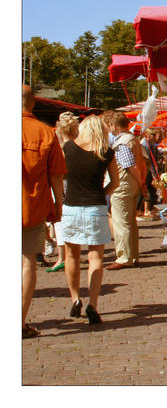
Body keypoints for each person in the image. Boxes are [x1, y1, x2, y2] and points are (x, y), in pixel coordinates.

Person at [61, 114, 120, 325]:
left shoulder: (67, 148)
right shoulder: (106, 152)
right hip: (95, 205)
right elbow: (116, 182)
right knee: (96, 257)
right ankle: (92, 304)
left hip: (71, 206)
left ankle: (75, 298)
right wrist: (102, 193)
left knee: (72, 255)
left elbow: (59, 175)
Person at [22, 85, 67, 338]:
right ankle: (19, 322)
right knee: (28, 262)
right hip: (31, 207)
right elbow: (57, 176)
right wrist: (59, 204)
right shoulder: (44, 132)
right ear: (34, 103)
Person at [107, 112, 146, 270]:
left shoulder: (122, 143)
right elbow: (142, 163)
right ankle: (132, 255)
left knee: (121, 223)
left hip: (123, 185)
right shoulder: (132, 139)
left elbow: (131, 166)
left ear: (114, 126)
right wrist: (141, 182)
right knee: (130, 222)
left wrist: (140, 181)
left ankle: (124, 257)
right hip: (131, 185)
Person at [45, 112, 81, 274]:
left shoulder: (60, 150)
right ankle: (71, 255)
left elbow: (57, 175)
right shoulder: (81, 147)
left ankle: (62, 257)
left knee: (59, 222)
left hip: (62, 187)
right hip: (77, 188)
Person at [139, 127, 161, 219]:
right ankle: (145, 210)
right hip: (146, 170)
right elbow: (148, 160)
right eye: (152, 134)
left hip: (148, 170)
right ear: (147, 135)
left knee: (151, 189)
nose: (154, 136)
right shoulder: (144, 144)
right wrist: (153, 173)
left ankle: (149, 209)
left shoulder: (149, 144)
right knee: (147, 189)